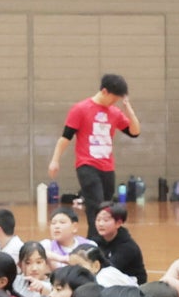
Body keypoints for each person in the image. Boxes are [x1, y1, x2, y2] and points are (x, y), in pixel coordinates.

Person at [50, 72, 137, 221]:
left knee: (107, 209)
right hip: (87, 165)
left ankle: (102, 235)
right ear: (104, 91)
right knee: (96, 206)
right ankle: (94, 235)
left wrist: (128, 109)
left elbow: (135, 132)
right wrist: (55, 160)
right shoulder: (80, 109)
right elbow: (65, 138)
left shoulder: (115, 112)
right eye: (113, 98)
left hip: (108, 167)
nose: (114, 102)